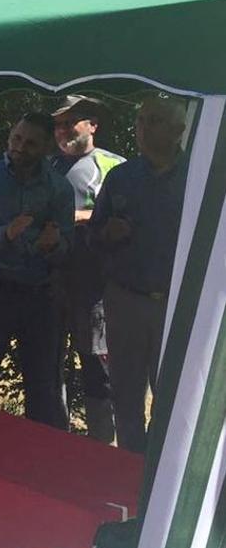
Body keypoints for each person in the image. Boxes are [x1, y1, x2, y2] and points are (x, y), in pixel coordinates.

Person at [0, 113, 74, 428]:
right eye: (17, 138)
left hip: (40, 297)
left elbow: (68, 247)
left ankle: (39, 463)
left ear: (47, 146)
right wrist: (3, 234)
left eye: (31, 143)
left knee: (43, 388)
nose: (20, 147)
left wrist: (54, 245)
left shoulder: (59, 189)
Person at [91, 98, 189, 453]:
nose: (144, 128)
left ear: (179, 130)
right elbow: (93, 237)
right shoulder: (122, 176)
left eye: (155, 121)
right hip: (126, 301)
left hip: (178, 306)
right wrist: (106, 233)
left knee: (175, 395)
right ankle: (130, 469)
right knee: (126, 391)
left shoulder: (202, 175)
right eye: (140, 120)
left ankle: (166, 471)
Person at [51, 95, 125, 443]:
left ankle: (103, 443)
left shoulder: (113, 166)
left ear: (92, 125)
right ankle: (56, 438)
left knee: (96, 365)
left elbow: (128, 220)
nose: (63, 130)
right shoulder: (47, 167)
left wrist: (79, 218)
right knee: (50, 364)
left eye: (71, 122)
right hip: (50, 283)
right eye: (59, 124)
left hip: (94, 287)